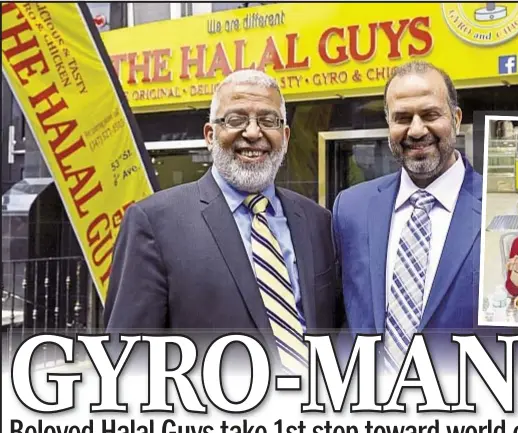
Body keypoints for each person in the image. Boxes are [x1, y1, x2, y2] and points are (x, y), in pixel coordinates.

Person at [104, 70, 343, 373]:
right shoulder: (153, 222)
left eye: (268, 121)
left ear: (285, 136)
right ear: (209, 135)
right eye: (235, 120)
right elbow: (129, 359)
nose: (253, 133)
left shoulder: (317, 221)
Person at [332, 61, 483, 369]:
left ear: (455, 119)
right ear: (389, 125)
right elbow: (339, 318)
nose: (416, 130)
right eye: (402, 118)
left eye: (430, 114)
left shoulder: (507, 209)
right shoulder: (350, 208)